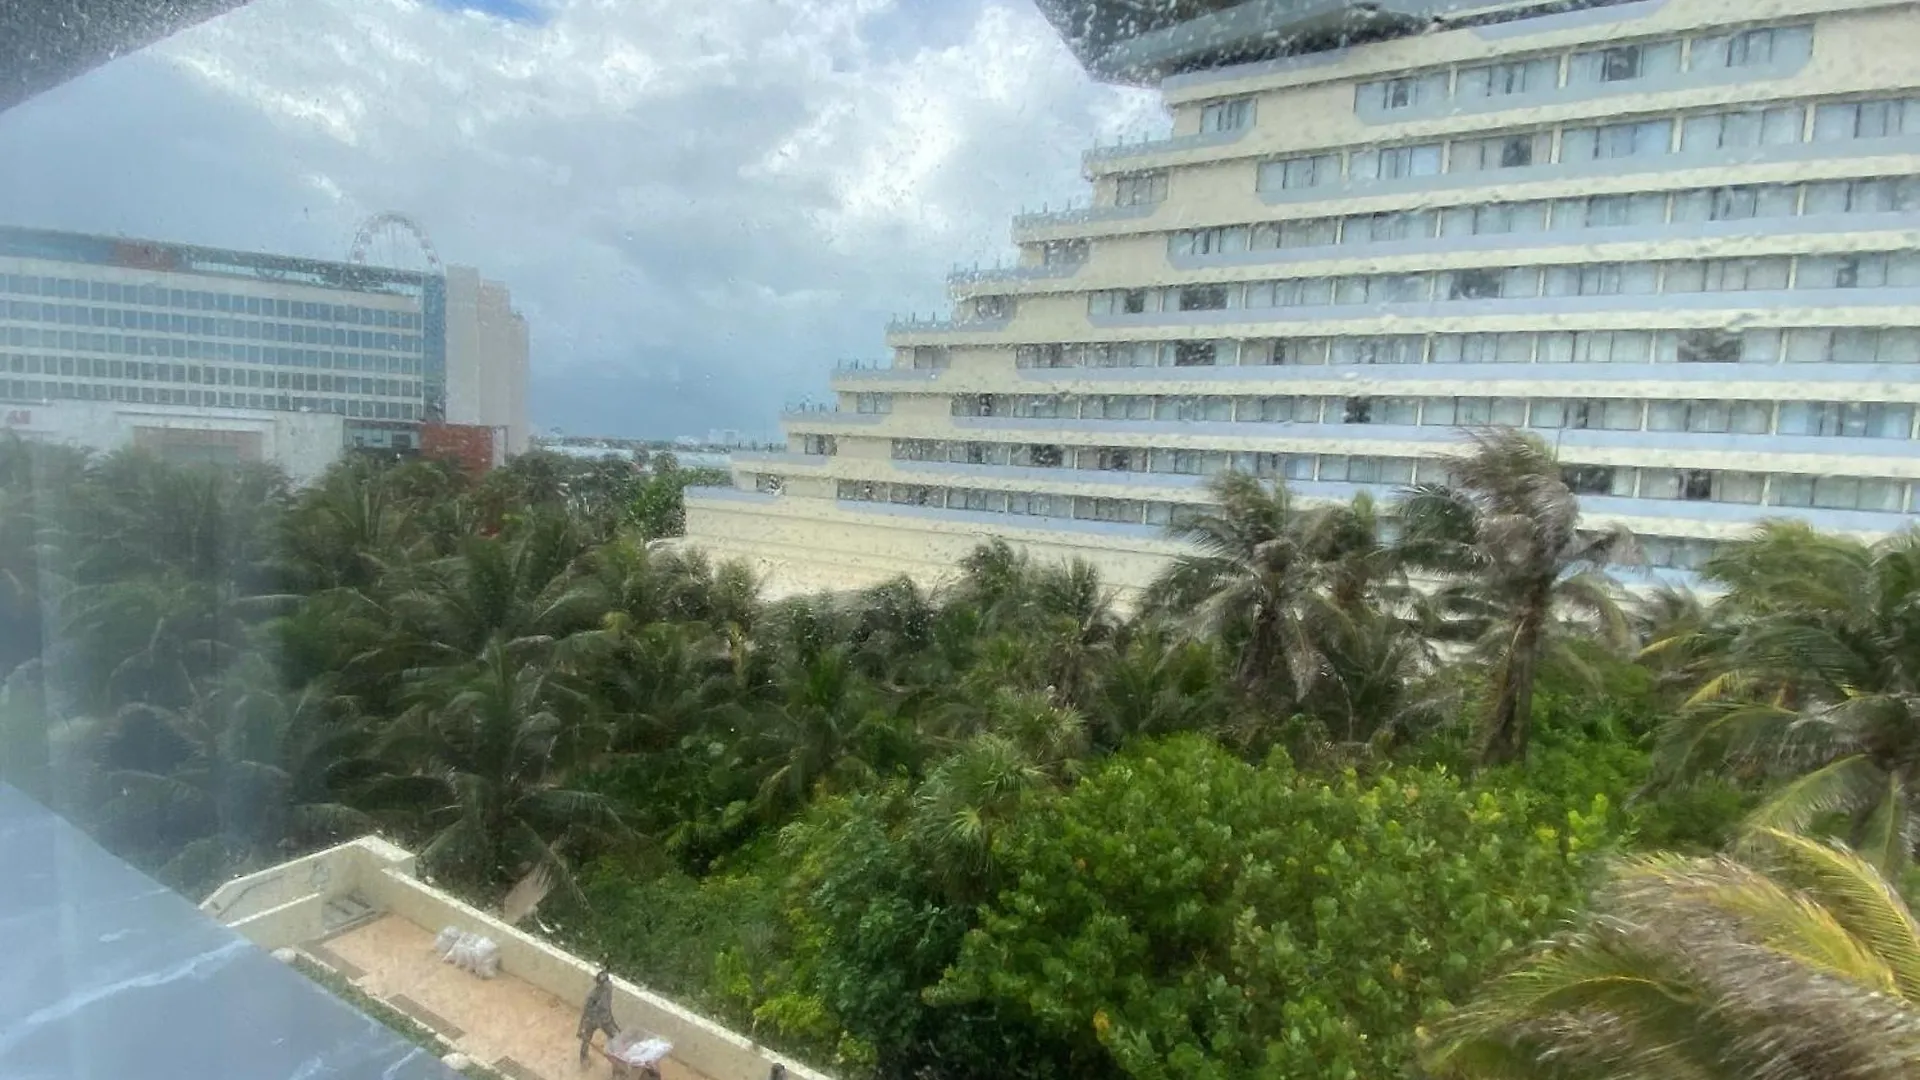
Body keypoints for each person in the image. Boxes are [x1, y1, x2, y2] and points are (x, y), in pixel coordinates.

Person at [578, 968, 620, 1066]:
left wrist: (613, 1023)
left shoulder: (608, 989)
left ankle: (618, 1067)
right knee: (586, 1038)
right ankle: (583, 1057)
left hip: (606, 1020)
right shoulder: (592, 996)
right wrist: (581, 1028)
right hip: (593, 1020)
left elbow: (608, 1009)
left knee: (617, 1038)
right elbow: (585, 1013)